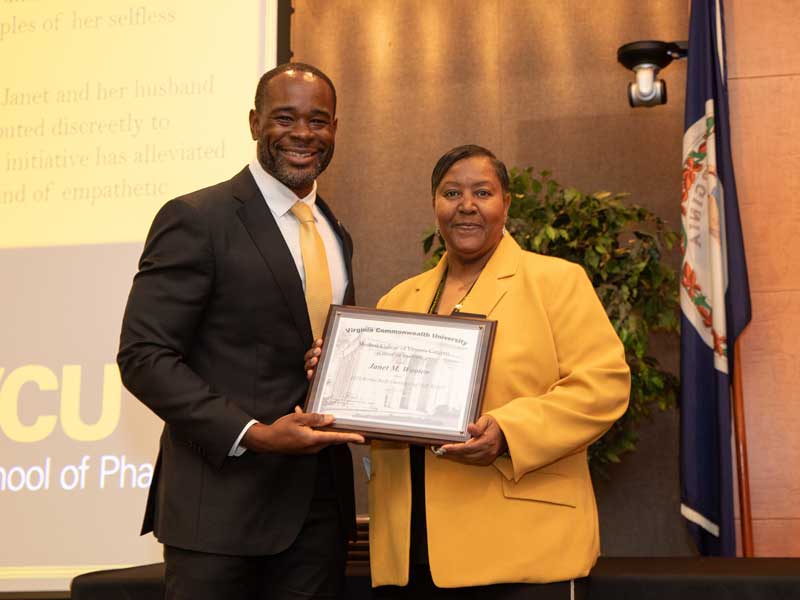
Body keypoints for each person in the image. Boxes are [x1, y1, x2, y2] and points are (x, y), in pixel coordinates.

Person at [306, 144, 631, 599]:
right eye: (451, 193)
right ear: (434, 205)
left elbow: (604, 387)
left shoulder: (556, 281)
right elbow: (377, 416)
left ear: (507, 203)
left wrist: (509, 431)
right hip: (412, 551)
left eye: (483, 192)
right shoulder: (399, 301)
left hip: (521, 546)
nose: (467, 206)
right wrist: (335, 376)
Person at [117, 63, 364, 600]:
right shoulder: (197, 218)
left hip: (319, 514)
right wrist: (253, 432)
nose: (303, 133)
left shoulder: (334, 230)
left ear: (335, 130)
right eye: (285, 118)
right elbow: (144, 356)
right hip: (220, 514)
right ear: (254, 123)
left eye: (318, 121)